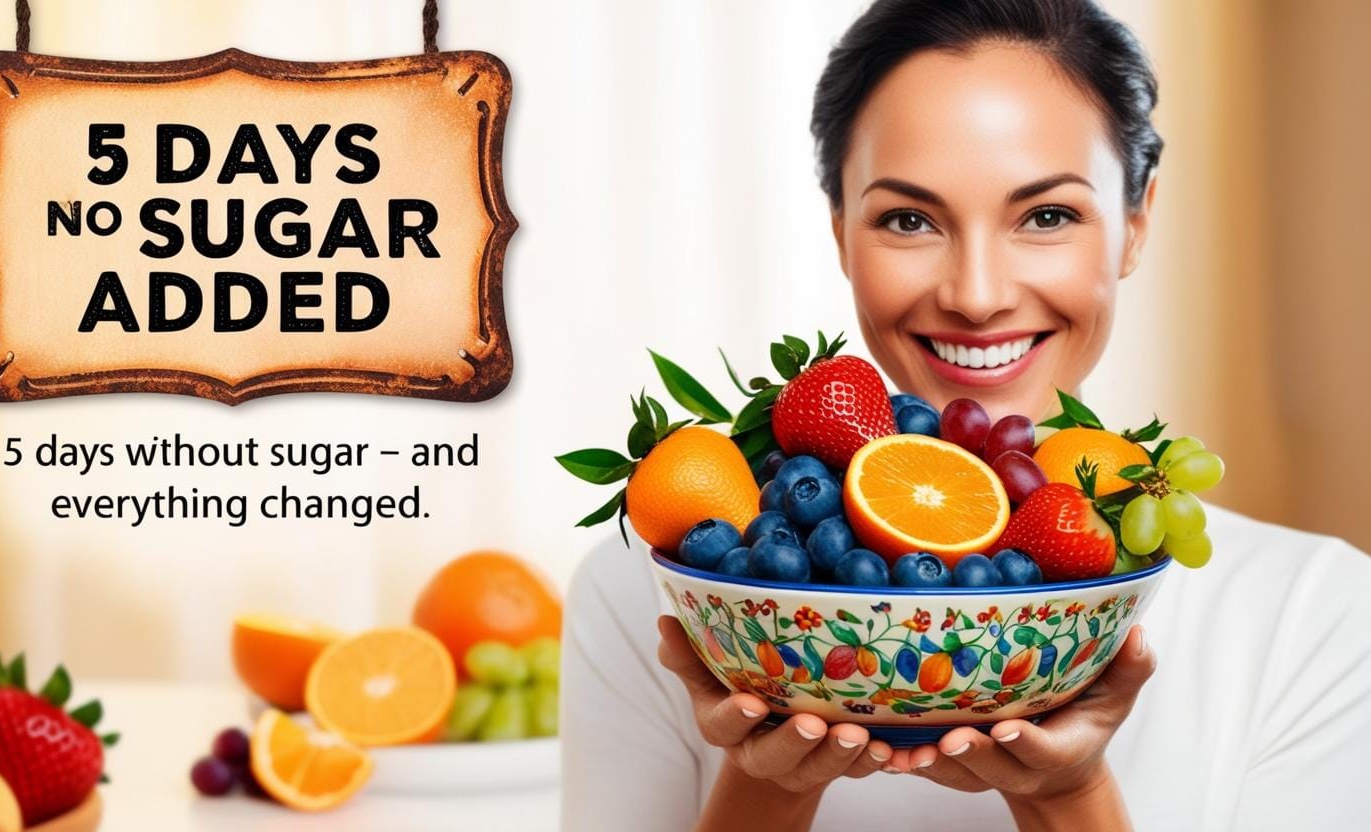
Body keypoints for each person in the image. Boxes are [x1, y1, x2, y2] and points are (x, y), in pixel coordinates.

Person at [561, 1, 1371, 829]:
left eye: (1047, 215)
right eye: (908, 220)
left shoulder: (1315, 617)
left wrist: (1068, 795)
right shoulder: (650, 600)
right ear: (841, 233)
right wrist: (769, 780)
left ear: (1135, 222)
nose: (976, 296)